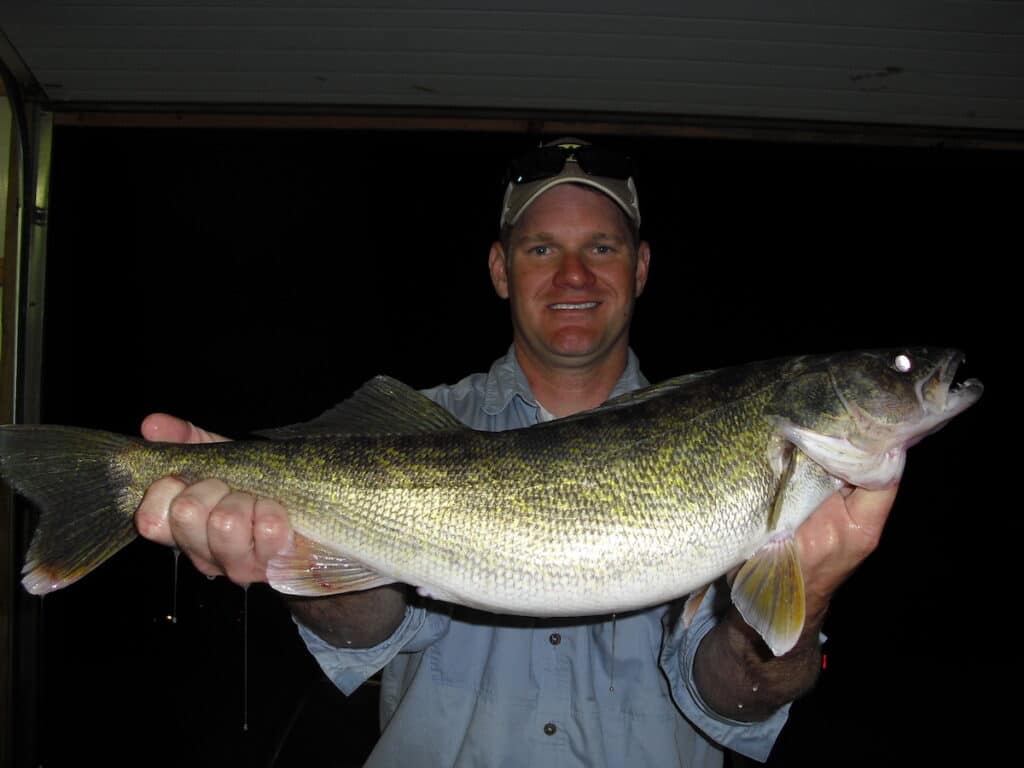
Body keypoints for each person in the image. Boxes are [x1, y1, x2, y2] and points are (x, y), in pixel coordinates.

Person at [134, 138, 897, 766]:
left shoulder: (719, 438)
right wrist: (285, 552)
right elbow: (368, 625)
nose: (574, 274)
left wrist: (810, 594)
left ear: (640, 268)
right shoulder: (423, 424)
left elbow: (732, 695)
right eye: (541, 248)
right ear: (501, 270)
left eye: (602, 246)